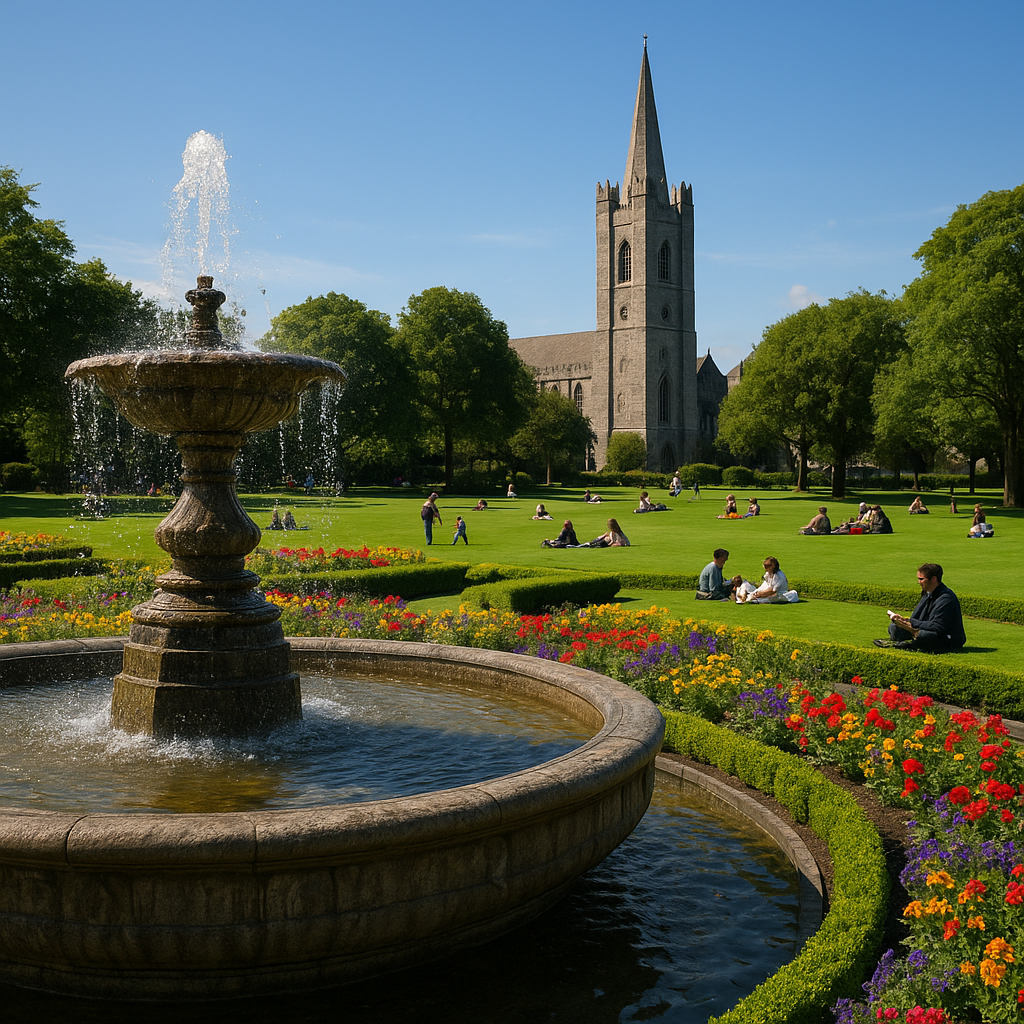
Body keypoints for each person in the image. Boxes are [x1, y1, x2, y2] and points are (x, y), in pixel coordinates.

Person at [874, 563, 966, 652]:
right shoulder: (927, 593)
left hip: (947, 637)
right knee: (894, 627)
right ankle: (911, 638)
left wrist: (912, 623)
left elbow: (937, 626)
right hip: (927, 627)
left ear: (933, 579)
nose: (919, 582)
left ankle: (912, 640)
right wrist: (904, 621)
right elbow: (915, 617)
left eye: (921, 579)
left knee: (924, 635)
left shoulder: (946, 598)